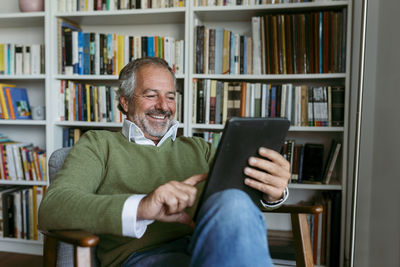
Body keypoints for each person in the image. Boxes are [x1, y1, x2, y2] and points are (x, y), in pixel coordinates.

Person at [39, 57, 291, 267]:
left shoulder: (199, 148)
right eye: (151, 95)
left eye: (170, 97)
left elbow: (239, 210)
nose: (163, 106)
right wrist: (142, 206)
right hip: (142, 258)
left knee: (234, 200)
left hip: (210, 248)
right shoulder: (98, 144)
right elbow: (53, 208)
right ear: (125, 102)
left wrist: (272, 192)